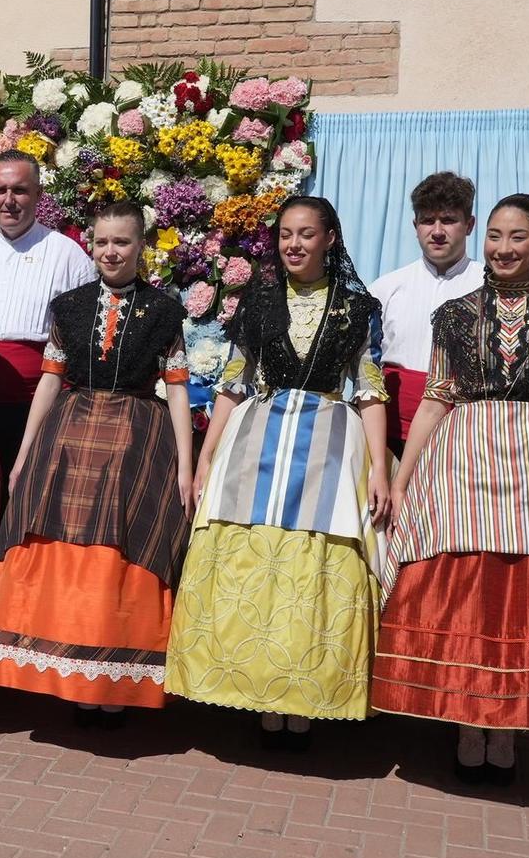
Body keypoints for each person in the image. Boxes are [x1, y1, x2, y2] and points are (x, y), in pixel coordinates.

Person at [370, 194, 529, 783]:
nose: (504, 248)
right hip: (464, 457)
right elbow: (435, 398)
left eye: (518, 237)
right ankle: (466, 721)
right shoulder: (454, 316)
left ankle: (505, 727)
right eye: (497, 237)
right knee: (465, 585)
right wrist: (404, 481)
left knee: (526, 591)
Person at [166, 196, 392, 748]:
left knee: (319, 556)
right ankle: (256, 690)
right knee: (249, 553)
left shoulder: (357, 308)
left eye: (307, 234)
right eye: (286, 234)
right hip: (258, 436)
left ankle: (308, 696)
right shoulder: (260, 300)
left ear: (330, 239)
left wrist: (381, 471)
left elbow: (369, 388)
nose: (294, 244)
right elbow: (233, 379)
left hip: (330, 443)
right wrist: (205, 456)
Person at [0, 199, 193, 726]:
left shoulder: (166, 310)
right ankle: (69, 676)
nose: (110, 251)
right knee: (61, 548)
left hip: (136, 442)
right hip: (69, 435)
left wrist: (185, 466)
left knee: (121, 552)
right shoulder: (71, 306)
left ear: (141, 247)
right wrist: (25, 453)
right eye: (102, 241)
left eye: (122, 242)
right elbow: (51, 379)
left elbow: (175, 390)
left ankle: (114, 681)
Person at [0, 150, 95, 476]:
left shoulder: (68, 255)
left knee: (31, 499)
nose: (9, 200)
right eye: (0, 190)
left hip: (40, 406)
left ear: (38, 194)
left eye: (20, 190)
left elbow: (83, 341)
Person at [369, 172, 482, 455]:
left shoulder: (489, 286)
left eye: (449, 220)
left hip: (465, 436)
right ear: (415, 225)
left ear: (469, 225)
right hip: (391, 434)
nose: (438, 230)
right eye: (428, 220)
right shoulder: (385, 288)